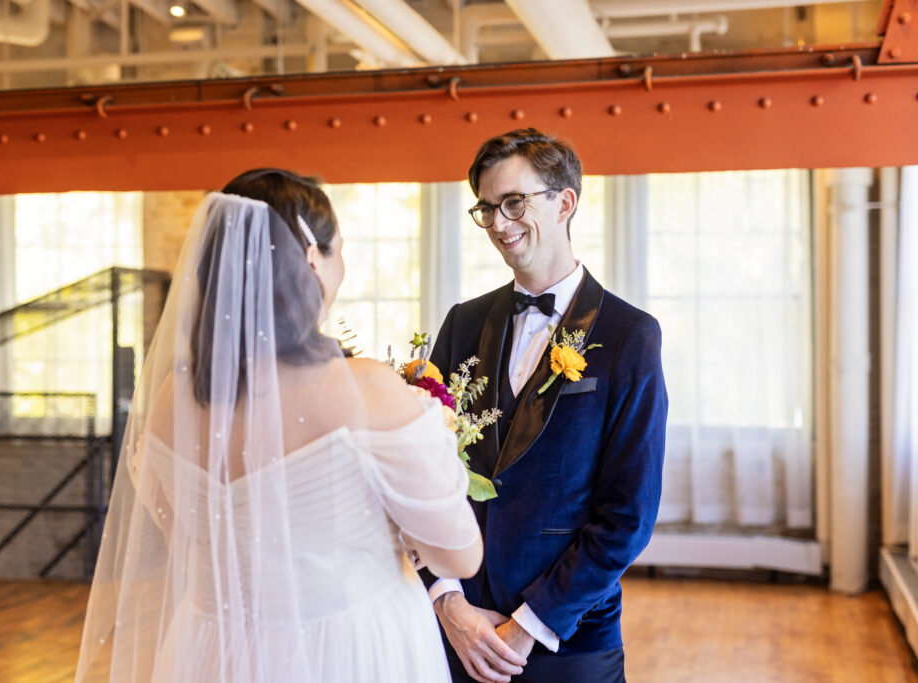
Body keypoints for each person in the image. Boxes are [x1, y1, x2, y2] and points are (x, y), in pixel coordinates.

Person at [75, 168, 483, 682]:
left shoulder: (167, 402)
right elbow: (462, 555)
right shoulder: (365, 390)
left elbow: (183, 537)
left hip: (213, 648)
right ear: (314, 260)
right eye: (340, 251)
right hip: (348, 649)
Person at [424, 129, 668, 683]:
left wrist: (528, 625)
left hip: (570, 641)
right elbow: (421, 474)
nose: (498, 223)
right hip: (462, 632)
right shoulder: (462, 324)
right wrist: (447, 602)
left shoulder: (631, 335)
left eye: (514, 202)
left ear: (565, 202)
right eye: (486, 209)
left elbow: (628, 514)